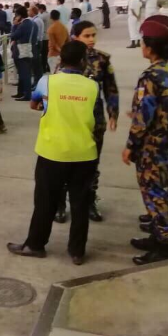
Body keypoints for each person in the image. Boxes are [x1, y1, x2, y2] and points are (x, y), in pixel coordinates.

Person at [7, 41, 99, 265]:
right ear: (83, 61)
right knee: (80, 204)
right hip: (84, 153)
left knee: (45, 201)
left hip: (52, 152)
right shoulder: (92, 86)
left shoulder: (47, 81)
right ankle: (77, 252)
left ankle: (35, 245)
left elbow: (34, 104)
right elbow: (97, 119)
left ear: (60, 60)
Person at [124, 15, 168, 265]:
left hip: (153, 147)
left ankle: (163, 246)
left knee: (155, 194)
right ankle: (159, 235)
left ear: (150, 47)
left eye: (144, 42)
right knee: (167, 189)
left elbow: (143, 118)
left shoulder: (151, 76)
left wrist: (130, 146)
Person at [56, 21, 118, 223]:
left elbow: (111, 89)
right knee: (64, 163)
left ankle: (89, 201)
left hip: (94, 122)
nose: (92, 39)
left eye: (93, 35)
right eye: (87, 36)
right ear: (76, 37)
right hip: (69, 121)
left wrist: (113, 113)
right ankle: (60, 204)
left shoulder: (102, 59)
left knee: (91, 164)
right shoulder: (66, 59)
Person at [10, 5, 36, 101]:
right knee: (23, 73)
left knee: (24, 73)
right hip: (28, 48)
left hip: (21, 51)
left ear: (19, 15)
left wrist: (14, 25)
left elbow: (13, 36)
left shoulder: (22, 25)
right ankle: (21, 92)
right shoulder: (32, 23)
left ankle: (26, 94)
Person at [29, 6, 44, 85]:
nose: (28, 12)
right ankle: (37, 80)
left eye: (29, 11)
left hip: (36, 43)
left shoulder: (36, 21)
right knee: (36, 63)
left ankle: (37, 81)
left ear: (33, 12)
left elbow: (35, 34)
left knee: (35, 64)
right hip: (37, 43)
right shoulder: (37, 20)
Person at [38, 4, 51, 73]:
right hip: (49, 36)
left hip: (44, 37)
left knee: (43, 54)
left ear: (41, 9)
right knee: (48, 53)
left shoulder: (43, 16)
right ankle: (48, 67)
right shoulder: (49, 14)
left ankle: (43, 68)